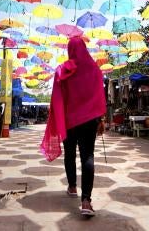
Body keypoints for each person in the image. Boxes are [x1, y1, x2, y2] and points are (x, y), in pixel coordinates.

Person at [41, 36, 106, 216]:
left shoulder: (62, 70)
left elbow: (57, 98)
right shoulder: (94, 69)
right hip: (90, 120)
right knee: (88, 156)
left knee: (70, 154)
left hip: (69, 121)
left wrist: (57, 119)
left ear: (69, 50)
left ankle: (72, 187)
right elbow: (99, 95)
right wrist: (100, 118)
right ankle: (86, 201)